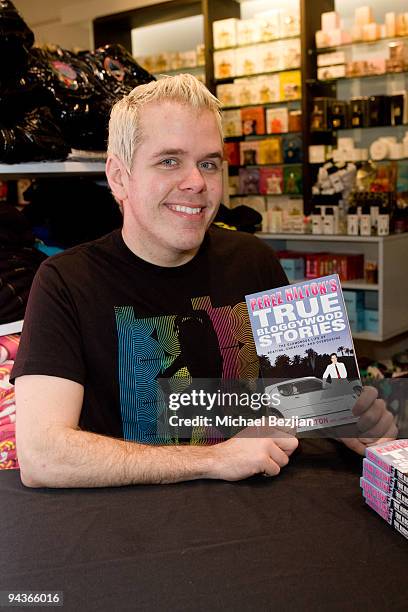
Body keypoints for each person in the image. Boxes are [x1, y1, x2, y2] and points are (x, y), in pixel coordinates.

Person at [12, 75, 397, 488]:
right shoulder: (66, 282)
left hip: (266, 520)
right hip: (131, 537)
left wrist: (352, 423)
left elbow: (314, 403)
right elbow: (42, 456)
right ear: (119, 177)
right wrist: (214, 458)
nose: (196, 182)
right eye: (169, 161)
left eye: (209, 163)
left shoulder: (255, 260)